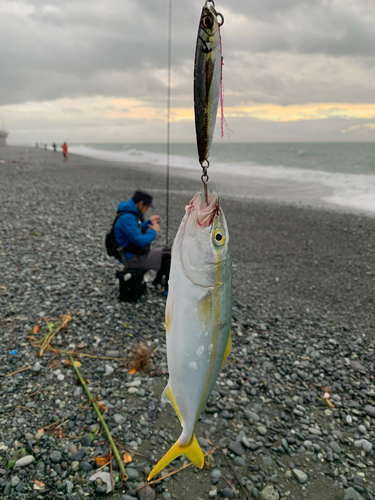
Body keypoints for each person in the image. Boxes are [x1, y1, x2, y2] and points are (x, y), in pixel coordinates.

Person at [113, 189, 171, 295]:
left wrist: (148, 222)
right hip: (132, 259)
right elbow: (140, 241)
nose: (146, 209)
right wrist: (154, 230)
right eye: (147, 207)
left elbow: (135, 230)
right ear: (141, 203)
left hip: (132, 255)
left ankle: (157, 282)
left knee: (167, 252)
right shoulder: (127, 218)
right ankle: (168, 290)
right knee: (168, 255)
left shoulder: (128, 214)